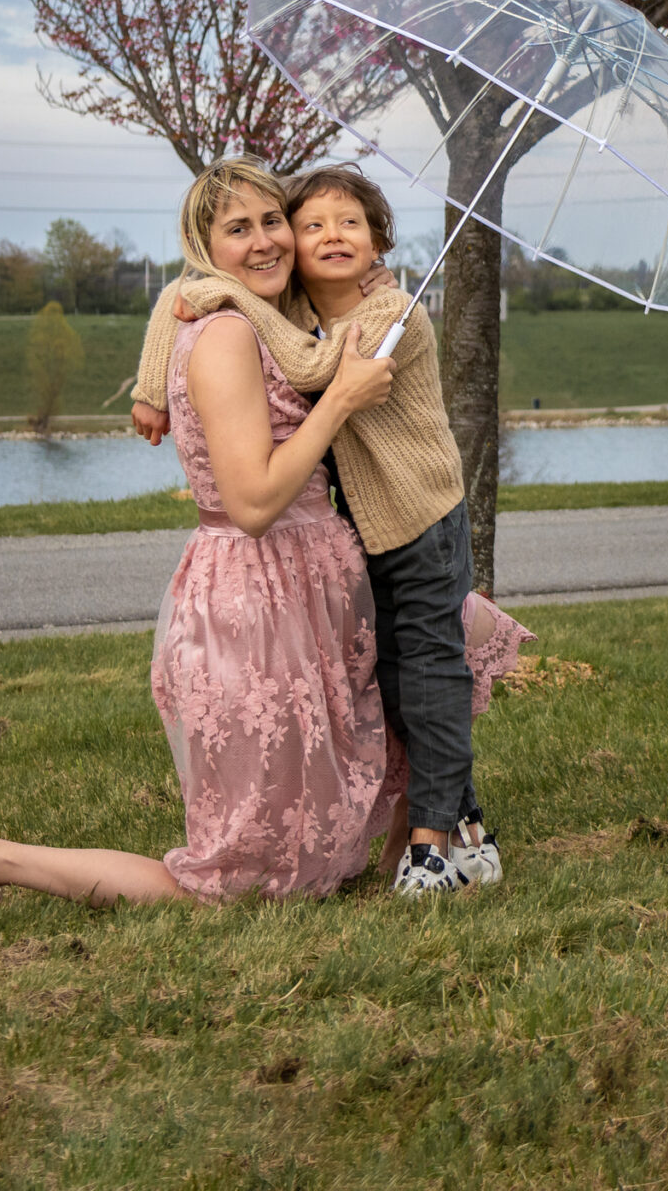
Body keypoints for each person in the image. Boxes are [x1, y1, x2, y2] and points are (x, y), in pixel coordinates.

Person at [0, 158, 398, 907]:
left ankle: (415, 858)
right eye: (238, 229)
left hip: (307, 580)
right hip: (257, 600)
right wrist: (341, 400)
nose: (264, 241)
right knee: (236, 885)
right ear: (204, 249)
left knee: (432, 662)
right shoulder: (225, 337)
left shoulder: (268, 322)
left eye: (272, 220)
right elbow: (253, 503)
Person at [128, 164, 501, 897]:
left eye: (349, 224)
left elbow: (314, 363)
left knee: (425, 673)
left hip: (419, 516)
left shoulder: (389, 312)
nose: (326, 237)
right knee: (394, 684)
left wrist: (224, 290)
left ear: (378, 242)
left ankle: (434, 840)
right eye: (311, 226)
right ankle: (462, 824)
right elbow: (179, 299)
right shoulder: (284, 309)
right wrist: (151, 385)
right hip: (356, 526)